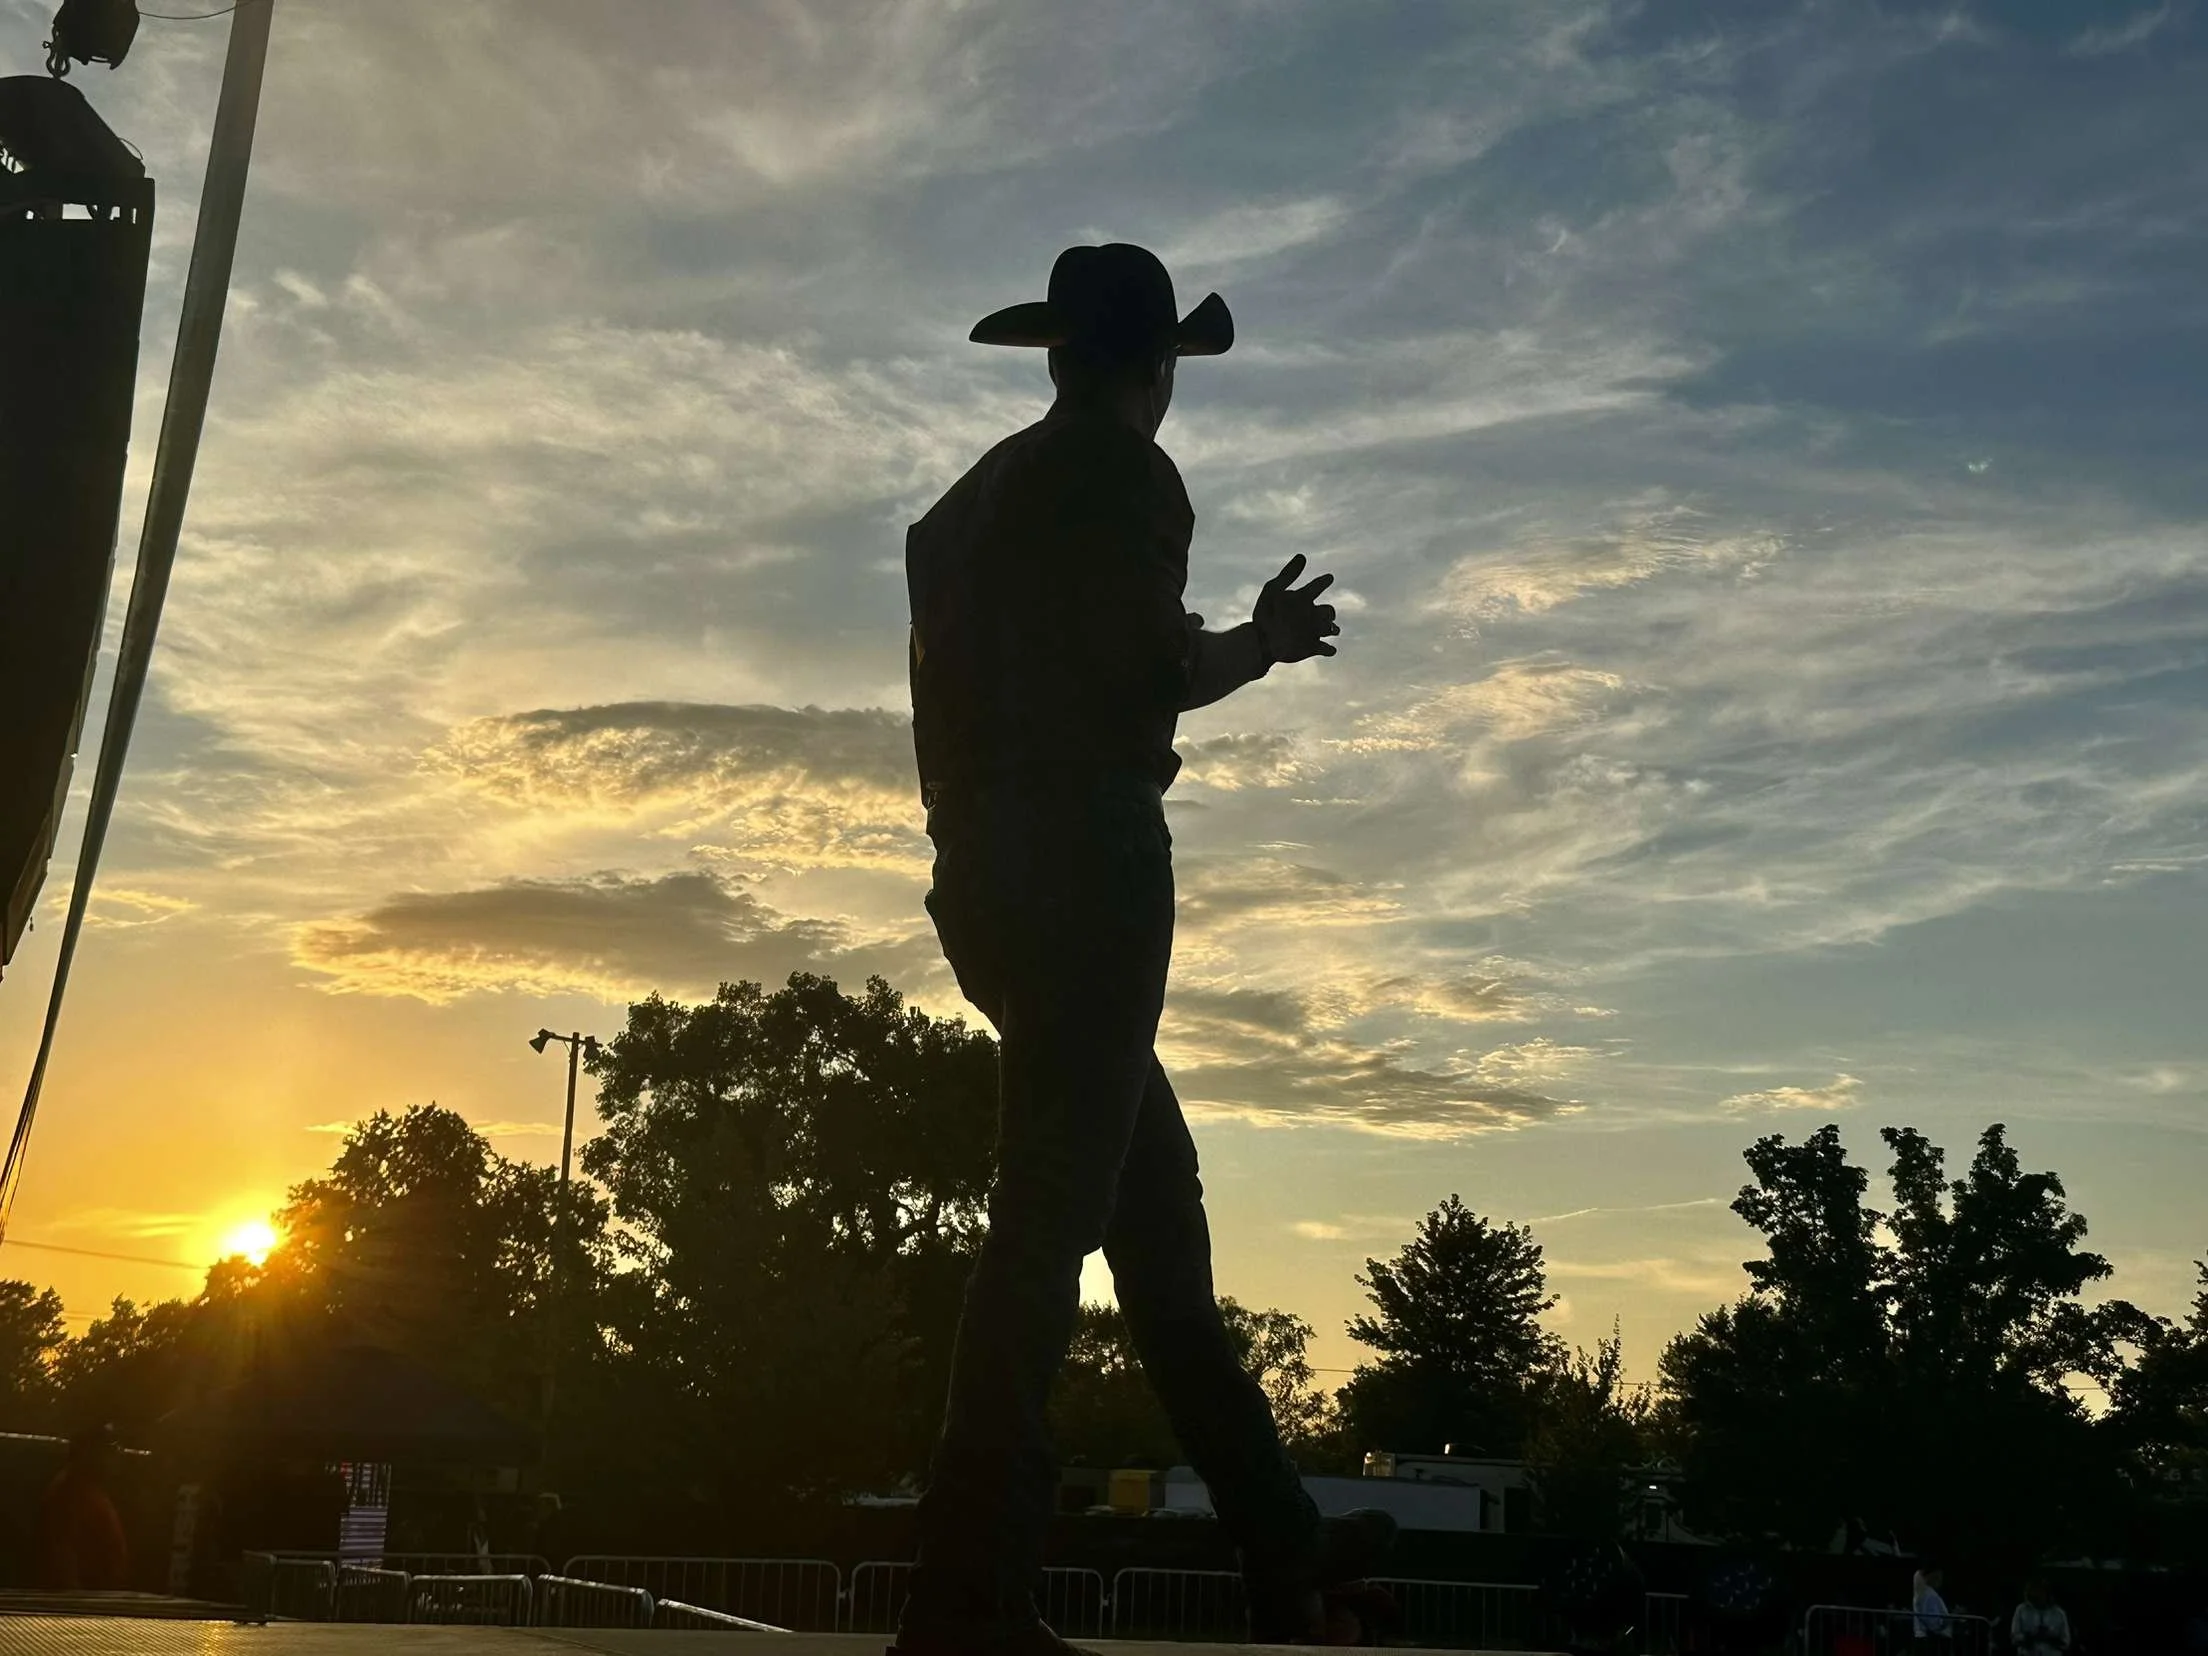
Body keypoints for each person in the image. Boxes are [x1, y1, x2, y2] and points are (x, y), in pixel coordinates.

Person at [894, 242, 1372, 1656]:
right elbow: (1151, 672)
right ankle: (966, 1593)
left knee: (1152, 1213)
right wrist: (1266, 646)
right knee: (1047, 1217)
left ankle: (1280, 1536)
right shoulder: (1130, 478)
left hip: (979, 877)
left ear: (1054, 355)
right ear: (1155, 372)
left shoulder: (959, 511)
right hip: (1090, 869)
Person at [37, 1424, 131, 1590]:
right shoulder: (69, 1492)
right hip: (84, 1602)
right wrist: (76, 1597)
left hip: (98, 1599)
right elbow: (63, 1552)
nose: (114, 1458)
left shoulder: (91, 1489)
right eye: (107, 1451)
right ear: (89, 1453)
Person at [2011, 1578, 2071, 1656]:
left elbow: (2066, 1642)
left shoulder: (2059, 1614)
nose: (2034, 1595)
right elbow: (2014, 1637)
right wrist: (2031, 1636)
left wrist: (2049, 1637)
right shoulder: (2021, 1610)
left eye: (2038, 1592)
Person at [1911, 1566, 1953, 1651]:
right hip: (1931, 1640)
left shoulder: (1923, 1593)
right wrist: (1947, 1621)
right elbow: (1933, 1623)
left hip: (1926, 1638)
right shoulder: (1928, 1595)